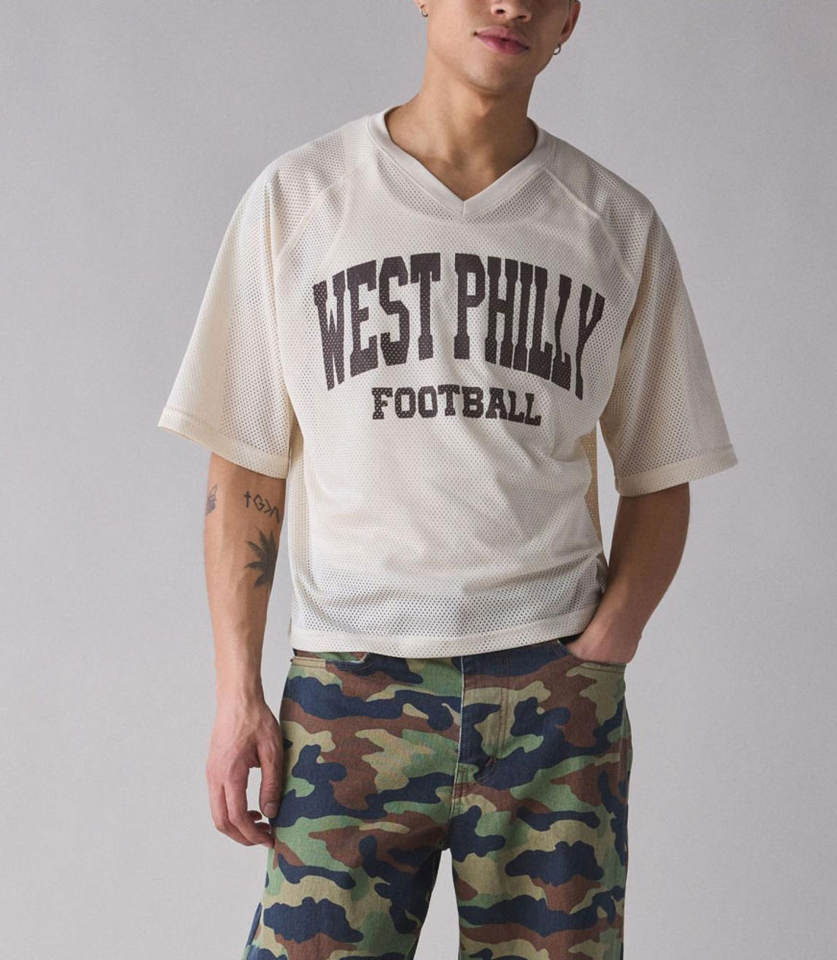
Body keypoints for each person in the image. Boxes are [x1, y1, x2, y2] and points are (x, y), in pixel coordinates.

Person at [157, 1, 738, 956]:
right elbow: (246, 467)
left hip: (550, 700)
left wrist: (602, 651)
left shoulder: (613, 225)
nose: (511, 4)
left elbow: (662, 471)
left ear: (570, 20)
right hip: (347, 688)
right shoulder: (300, 200)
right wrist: (235, 694)